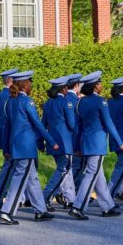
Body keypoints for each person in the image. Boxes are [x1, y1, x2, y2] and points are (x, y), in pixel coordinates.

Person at [0, 71, 57, 224]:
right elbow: (38, 124)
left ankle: (40, 210)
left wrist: (6, 148)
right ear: (25, 85)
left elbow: (7, 127)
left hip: (16, 145)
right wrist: (51, 141)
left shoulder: (10, 101)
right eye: (30, 84)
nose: (31, 86)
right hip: (26, 146)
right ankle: (6, 211)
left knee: (32, 178)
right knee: (19, 179)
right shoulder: (27, 102)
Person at [70, 71, 123, 219]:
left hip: (85, 143)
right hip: (97, 143)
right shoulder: (101, 101)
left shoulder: (80, 102)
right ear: (95, 87)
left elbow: (78, 128)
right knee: (91, 174)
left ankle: (107, 206)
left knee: (98, 175)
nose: (102, 86)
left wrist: (76, 147)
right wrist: (119, 142)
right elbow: (108, 123)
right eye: (100, 83)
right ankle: (78, 207)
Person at [42, 76, 78, 209]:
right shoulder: (65, 102)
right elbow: (72, 124)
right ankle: (46, 196)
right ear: (64, 89)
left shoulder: (47, 103)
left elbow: (43, 124)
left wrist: (41, 142)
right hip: (64, 142)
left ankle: (69, 198)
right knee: (63, 170)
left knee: (65, 171)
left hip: (52, 141)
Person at [0, 69, 17, 206]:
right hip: (11, 135)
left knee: (25, 168)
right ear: (11, 81)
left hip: (3, 134)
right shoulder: (11, 96)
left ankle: (26, 197)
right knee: (11, 166)